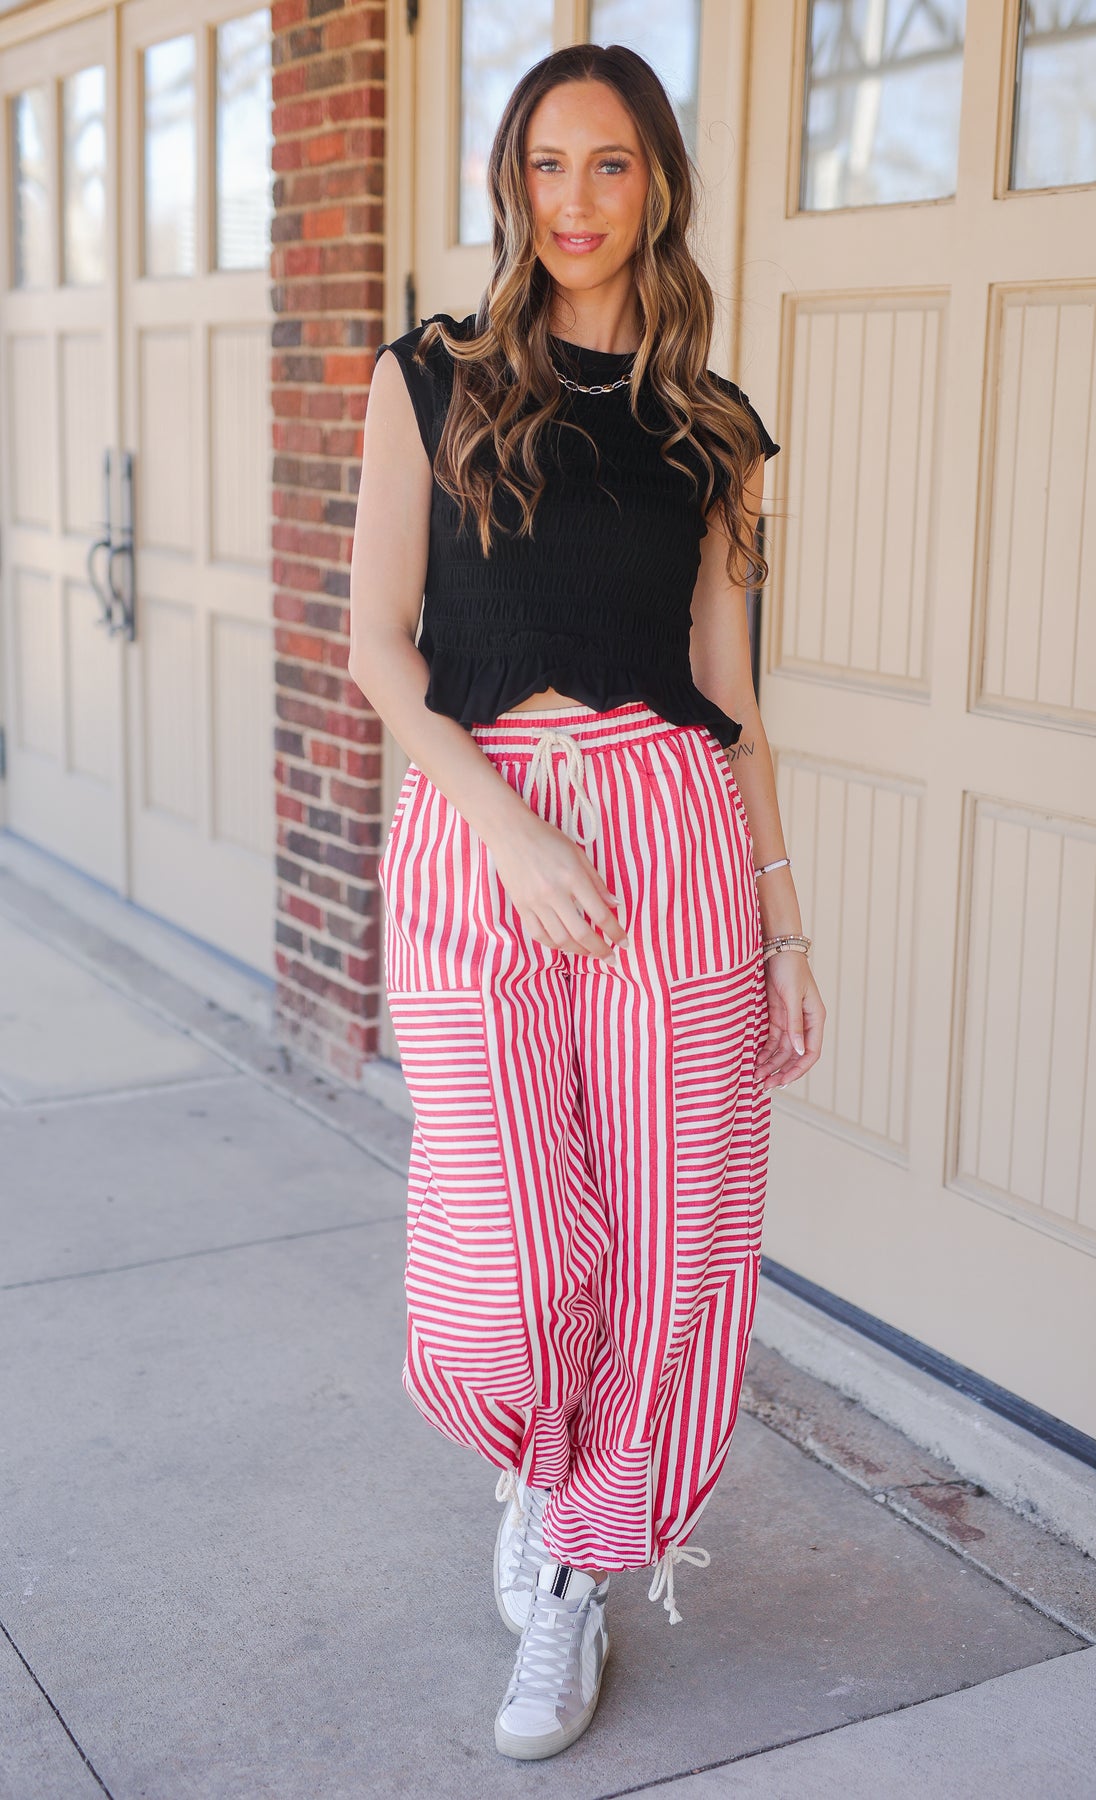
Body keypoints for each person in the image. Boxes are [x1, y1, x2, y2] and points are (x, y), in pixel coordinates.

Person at [349, 40, 826, 1764]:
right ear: (508, 180)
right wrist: (509, 829)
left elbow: (731, 691)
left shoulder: (714, 427)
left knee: (667, 1237)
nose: (575, 202)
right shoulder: (432, 378)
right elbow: (376, 652)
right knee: (508, 1246)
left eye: (610, 166)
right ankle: (537, 1470)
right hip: (485, 835)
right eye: (546, 166)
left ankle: (573, 1567)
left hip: (678, 852)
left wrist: (782, 924)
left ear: (659, 185)